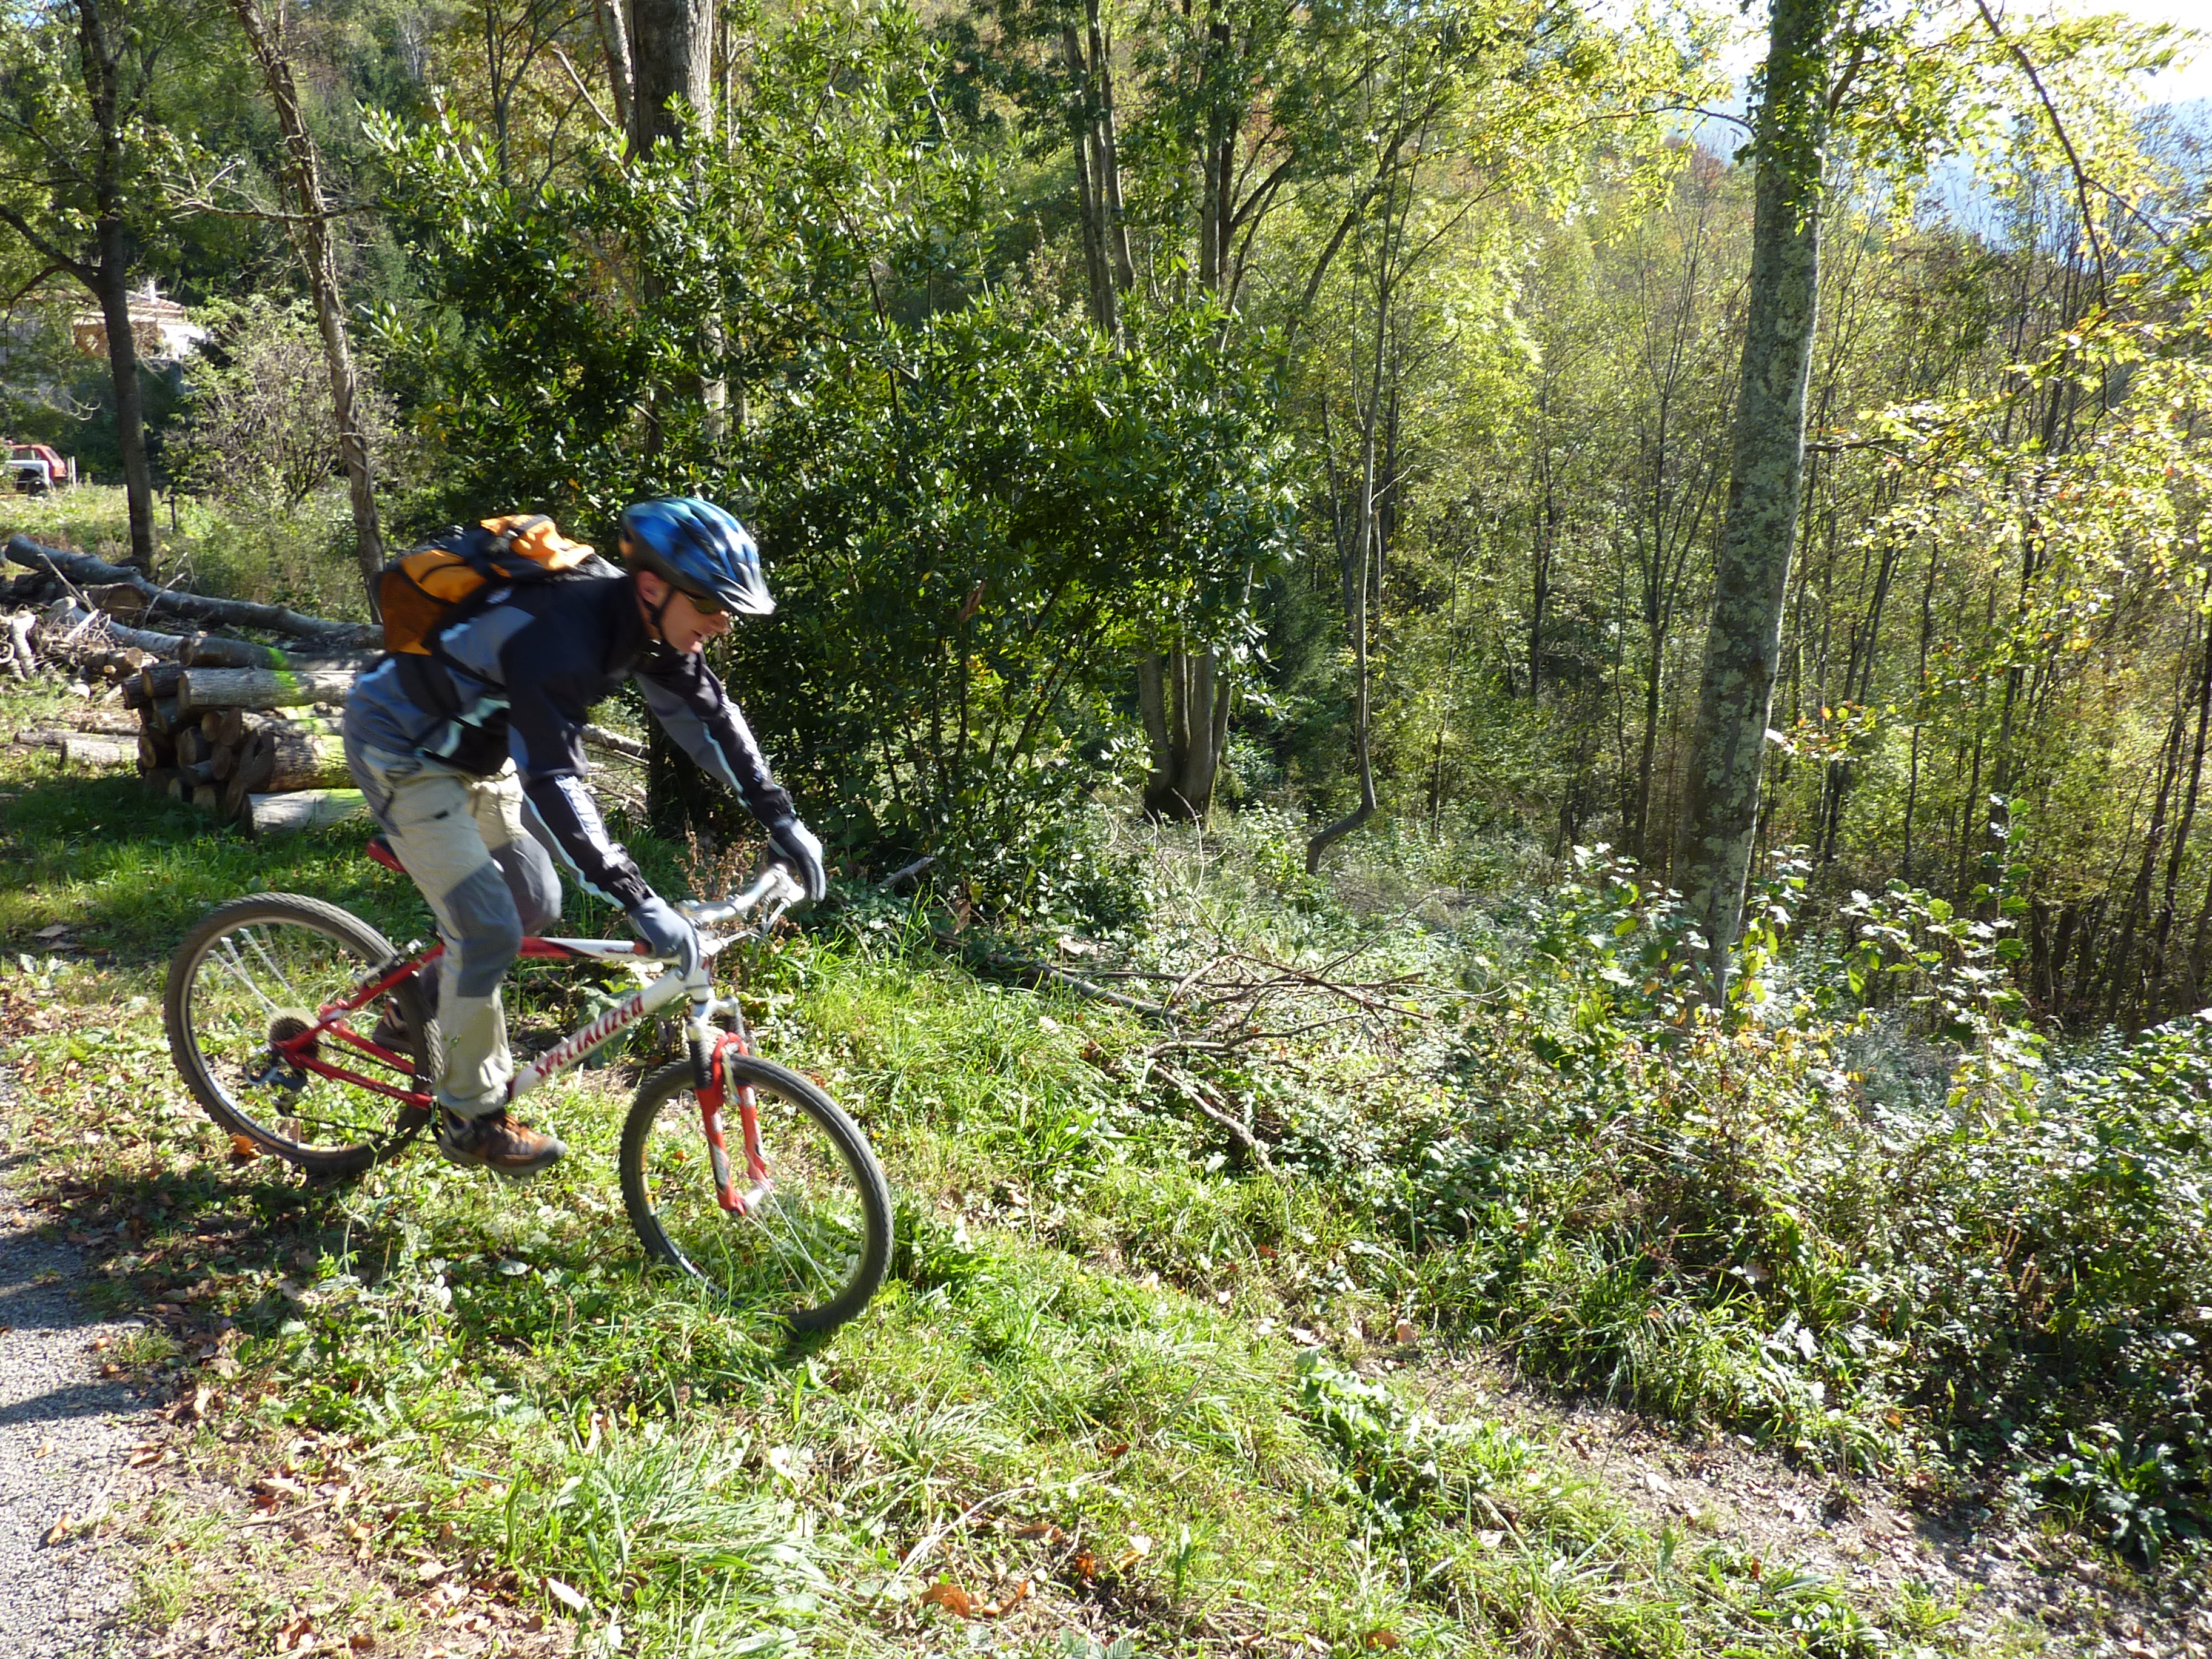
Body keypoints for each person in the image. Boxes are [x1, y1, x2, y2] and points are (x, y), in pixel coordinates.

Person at [341, 497, 827, 1176]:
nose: (722, 624)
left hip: (475, 757)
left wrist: (782, 818)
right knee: (486, 929)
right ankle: (468, 1116)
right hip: (403, 750)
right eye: (713, 606)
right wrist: (638, 898)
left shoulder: (648, 625)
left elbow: (711, 717)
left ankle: (412, 1011)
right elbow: (557, 780)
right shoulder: (561, 635)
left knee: (534, 903)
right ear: (655, 587)